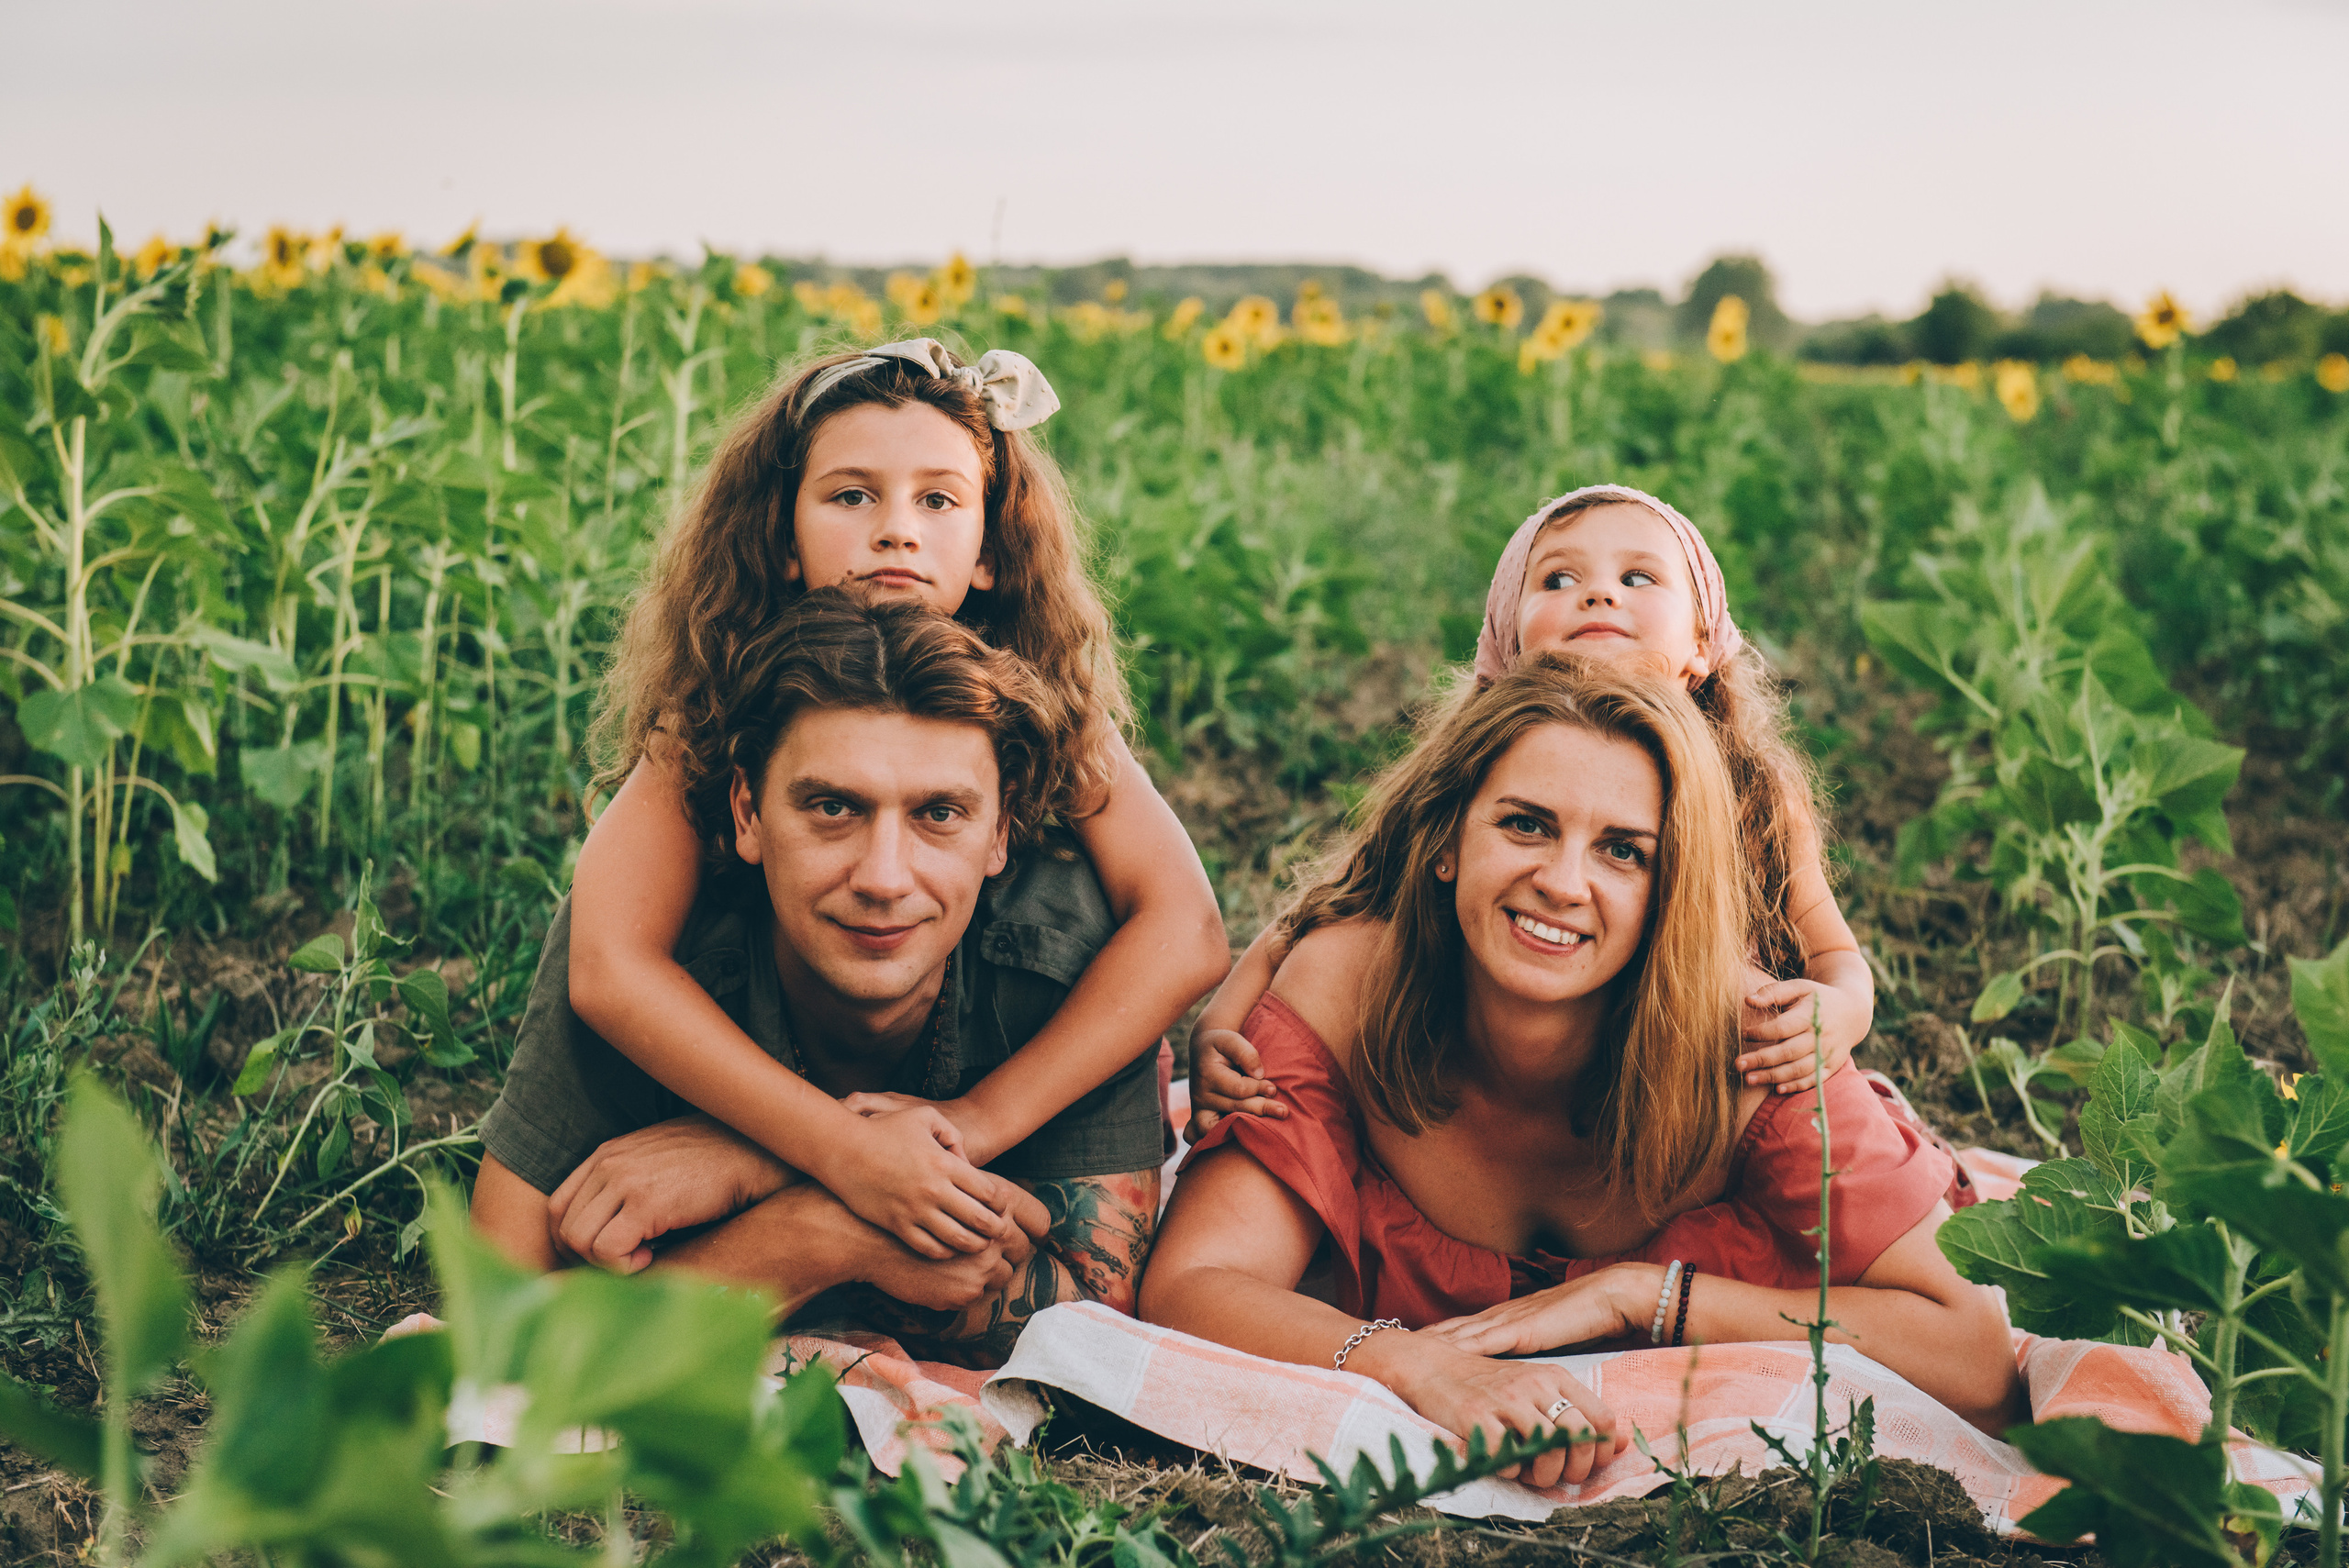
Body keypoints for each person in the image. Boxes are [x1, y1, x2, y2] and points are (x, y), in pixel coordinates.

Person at [1139, 656, 2022, 1492]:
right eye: (1526, 824)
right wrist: (1417, 1363)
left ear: (1670, 888)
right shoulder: (1348, 985)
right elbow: (1194, 1283)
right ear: (1448, 840)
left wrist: (1640, 1295)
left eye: (1623, 851)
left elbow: (1977, 1361)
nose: (1563, 881)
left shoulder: (1757, 1043)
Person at [573, 339, 1229, 1267]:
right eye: (851, 495)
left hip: (980, 1041)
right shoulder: (713, 702)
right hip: (779, 1021)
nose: (895, 530)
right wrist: (835, 1147)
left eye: (938, 498)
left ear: (995, 551)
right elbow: (607, 964)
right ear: (780, 538)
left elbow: (1185, 926)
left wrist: (967, 1124)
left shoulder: (1043, 693)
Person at [473, 592, 1171, 1363]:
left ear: (1000, 833)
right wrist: (821, 1235)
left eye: (939, 814)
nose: (883, 877)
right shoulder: (648, 953)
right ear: (747, 812)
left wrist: (755, 1162)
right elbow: (496, 1318)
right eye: (833, 807)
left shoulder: (1070, 955)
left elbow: (1097, 1316)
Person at [1189, 484, 1876, 1140]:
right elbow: (1330, 905)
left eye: (1639, 577)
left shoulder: (1751, 793)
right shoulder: (1473, 772)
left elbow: (1834, 952)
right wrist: (1220, 1019)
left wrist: (1839, 1009)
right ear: (1506, 640)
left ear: (1703, 643)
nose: (1599, 592)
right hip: (1499, 1089)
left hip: (1681, 1096)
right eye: (1557, 580)